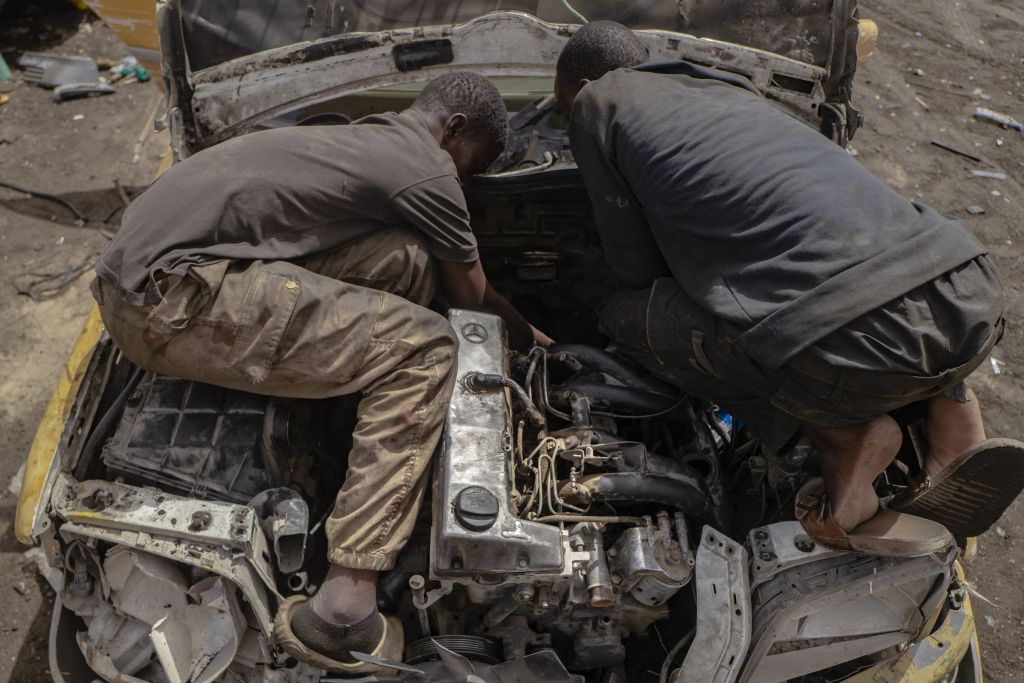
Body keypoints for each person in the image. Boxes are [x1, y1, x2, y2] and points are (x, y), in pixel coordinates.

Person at [92, 72, 550, 673]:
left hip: (143, 277)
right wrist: (538, 343)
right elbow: (472, 297)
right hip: (170, 304)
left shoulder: (364, 138)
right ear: (455, 129)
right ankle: (341, 609)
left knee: (409, 261)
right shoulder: (429, 170)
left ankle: (354, 444)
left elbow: (422, 266)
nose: (471, 179)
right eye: (476, 163)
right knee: (428, 349)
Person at [554, 21, 1022, 557]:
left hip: (848, 349)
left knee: (628, 315)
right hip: (965, 290)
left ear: (579, 85)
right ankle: (952, 412)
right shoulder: (725, 86)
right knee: (867, 271)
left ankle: (848, 439)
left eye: (561, 111)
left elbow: (635, 269)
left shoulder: (598, 103)